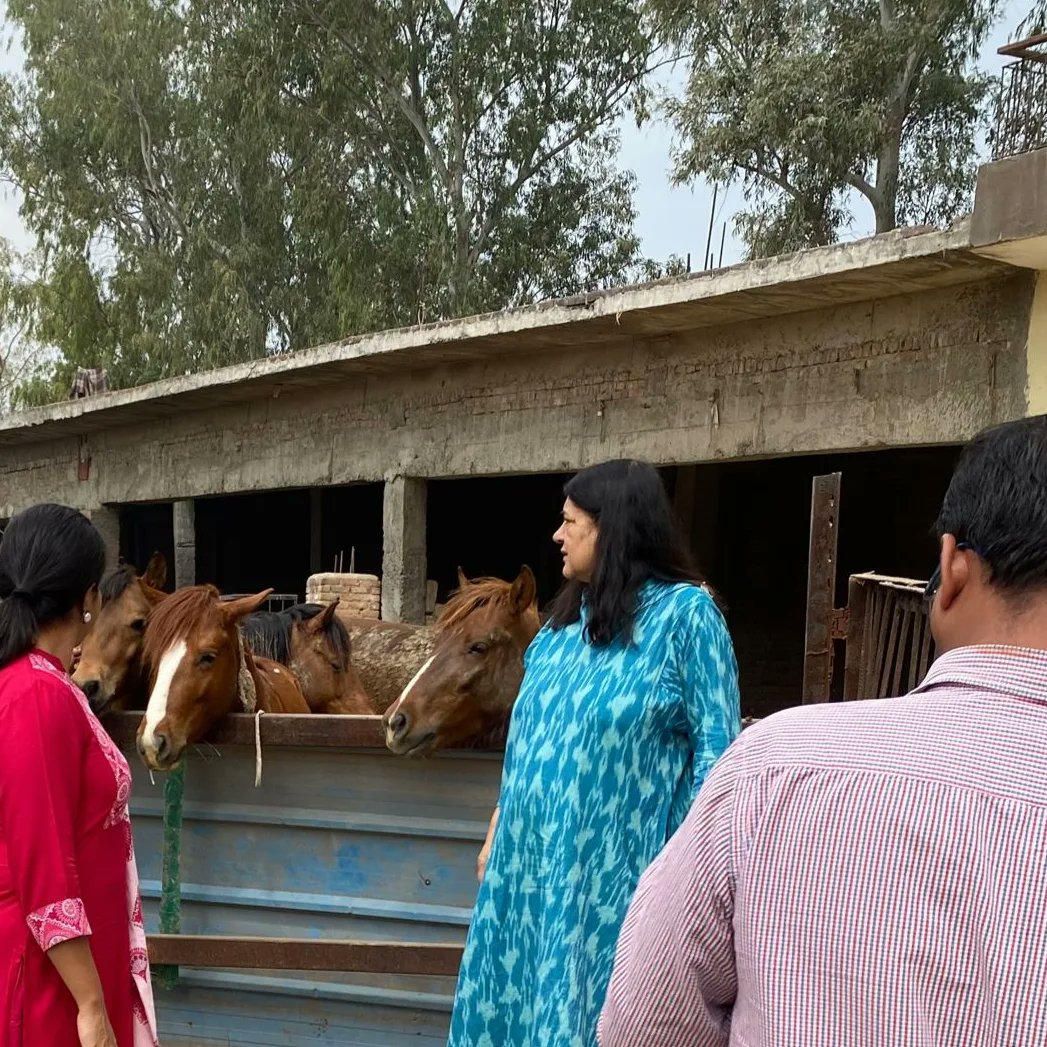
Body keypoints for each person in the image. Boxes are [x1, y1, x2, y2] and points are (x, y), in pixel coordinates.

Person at [599, 414, 1047, 1047]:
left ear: (951, 568)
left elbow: (644, 1025)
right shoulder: (571, 632)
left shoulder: (765, 758)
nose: (558, 534)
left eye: (572, 520)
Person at [448, 459, 741, 1046]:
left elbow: (719, 761)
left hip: (611, 891)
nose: (557, 535)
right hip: (526, 873)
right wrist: (496, 827)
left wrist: (675, 877)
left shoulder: (686, 618)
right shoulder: (559, 632)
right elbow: (526, 746)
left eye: (570, 521)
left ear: (612, 527)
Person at [0, 505, 159, 1047]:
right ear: (90, 599)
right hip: (53, 987)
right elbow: (43, 869)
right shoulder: (35, 695)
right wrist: (90, 1007)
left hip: (71, 968)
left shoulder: (44, 684)